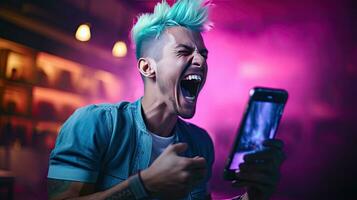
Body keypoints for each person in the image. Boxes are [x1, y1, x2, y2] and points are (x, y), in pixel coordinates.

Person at [47, 0, 285, 199]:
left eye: (203, 54)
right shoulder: (93, 124)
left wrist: (251, 197)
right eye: (184, 52)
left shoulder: (200, 143)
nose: (201, 61)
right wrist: (143, 184)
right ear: (148, 67)